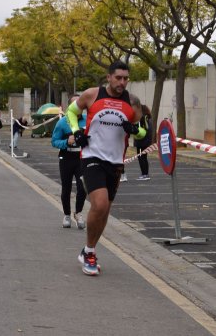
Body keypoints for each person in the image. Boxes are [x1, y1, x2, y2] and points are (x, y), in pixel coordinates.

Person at [65, 60, 144, 276]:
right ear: (108, 77)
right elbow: (71, 112)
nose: (122, 82)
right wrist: (76, 130)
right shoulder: (92, 94)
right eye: (118, 77)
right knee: (99, 205)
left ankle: (88, 249)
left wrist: (134, 130)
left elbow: (144, 133)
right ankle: (89, 253)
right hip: (91, 156)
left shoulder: (133, 102)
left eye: (126, 78)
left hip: (116, 162)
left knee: (105, 211)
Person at [51, 95, 86, 229]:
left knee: (83, 187)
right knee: (66, 188)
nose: (80, 107)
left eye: (81, 104)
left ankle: (78, 213)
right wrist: (66, 142)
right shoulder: (62, 123)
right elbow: (54, 142)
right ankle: (66, 214)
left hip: (82, 158)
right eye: (76, 104)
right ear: (70, 107)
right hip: (66, 158)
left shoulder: (86, 121)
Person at [134, 104, 153, 181]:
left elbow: (141, 129)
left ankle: (144, 174)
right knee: (144, 157)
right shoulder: (148, 117)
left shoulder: (142, 118)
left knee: (141, 157)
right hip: (147, 140)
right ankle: (145, 174)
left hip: (141, 141)